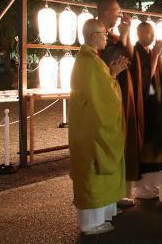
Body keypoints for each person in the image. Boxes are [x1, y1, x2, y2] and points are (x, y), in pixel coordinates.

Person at [69, 19, 129, 235]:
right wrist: (114, 75)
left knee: (100, 169)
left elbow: (102, 90)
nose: (106, 36)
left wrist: (112, 74)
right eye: (104, 33)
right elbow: (106, 97)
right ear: (94, 36)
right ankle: (91, 223)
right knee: (94, 169)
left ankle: (102, 215)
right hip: (92, 129)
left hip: (90, 125)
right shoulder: (90, 62)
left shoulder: (90, 59)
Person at [97, 0, 139, 207]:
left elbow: (129, 57)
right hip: (105, 94)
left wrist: (124, 36)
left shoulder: (113, 37)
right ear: (105, 13)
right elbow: (112, 60)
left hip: (120, 90)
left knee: (122, 141)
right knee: (109, 143)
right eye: (117, 12)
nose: (120, 16)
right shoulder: (96, 37)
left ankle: (118, 192)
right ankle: (106, 198)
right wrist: (123, 37)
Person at [129, 22, 162, 199]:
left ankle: (153, 184)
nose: (152, 36)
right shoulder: (136, 52)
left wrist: (157, 55)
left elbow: (161, 73)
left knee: (156, 143)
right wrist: (155, 56)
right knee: (147, 143)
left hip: (155, 102)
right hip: (144, 103)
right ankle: (143, 187)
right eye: (149, 33)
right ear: (140, 33)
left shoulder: (148, 51)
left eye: (153, 32)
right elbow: (145, 78)